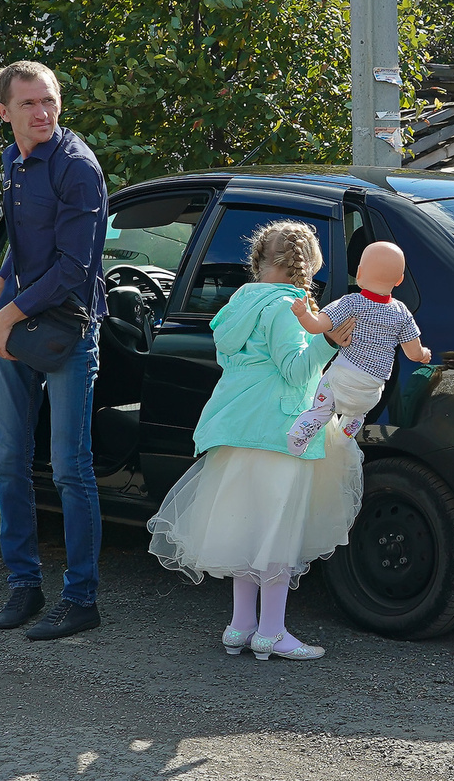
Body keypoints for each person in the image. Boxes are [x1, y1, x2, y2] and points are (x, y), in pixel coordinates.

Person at [146, 220, 363, 661]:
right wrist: (328, 343)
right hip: (279, 431)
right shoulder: (287, 307)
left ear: (259, 260)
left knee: (247, 528)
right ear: (308, 263)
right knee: (277, 533)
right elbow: (296, 371)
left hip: (237, 427)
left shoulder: (238, 302)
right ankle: (272, 632)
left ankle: (240, 626)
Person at [0, 61, 110, 643]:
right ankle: (23, 586)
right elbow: (25, 246)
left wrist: (9, 315)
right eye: (29, 104)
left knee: (68, 469)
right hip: (22, 323)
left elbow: (74, 269)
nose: (43, 113)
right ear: (5, 112)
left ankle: (80, 599)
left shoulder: (77, 169)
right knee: (8, 460)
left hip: (68, 331)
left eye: (50, 101)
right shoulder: (13, 161)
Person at [287, 240, 429, 451]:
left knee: (321, 410)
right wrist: (424, 354)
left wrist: (303, 314)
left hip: (342, 377)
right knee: (357, 413)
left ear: (359, 273)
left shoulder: (351, 303)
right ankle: (344, 439)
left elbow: (316, 327)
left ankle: (298, 439)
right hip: (371, 389)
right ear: (399, 280)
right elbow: (413, 353)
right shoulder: (401, 312)